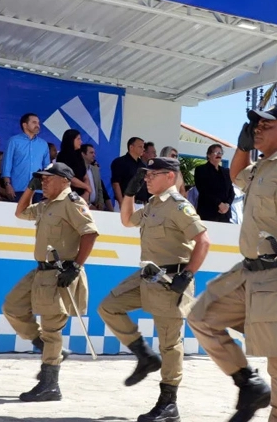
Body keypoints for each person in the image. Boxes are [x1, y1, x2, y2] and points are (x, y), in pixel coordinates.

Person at [187, 103, 277, 422]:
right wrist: (242, 147)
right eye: (255, 124)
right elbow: (237, 176)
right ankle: (249, 384)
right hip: (251, 270)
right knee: (202, 317)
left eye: (266, 124)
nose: (257, 128)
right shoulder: (265, 166)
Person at [100, 157, 210, 422]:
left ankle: (169, 403)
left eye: (152, 175)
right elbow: (127, 220)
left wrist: (188, 275)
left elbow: (203, 241)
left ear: (170, 177)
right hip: (147, 275)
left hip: (171, 280)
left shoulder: (178, 206)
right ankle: (144, 356)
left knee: (170, 343)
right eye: (145, 175)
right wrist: (129, 192)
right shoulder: (152, 203)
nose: (147, 179)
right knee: (109, 307)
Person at [3, 162, 98, 402]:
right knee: (12, 307)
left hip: (60, 272)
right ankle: (44, 347)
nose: (43, 182)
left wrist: (75, 267)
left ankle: (50, 385)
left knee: (52, 328)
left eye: (47, 178)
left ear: (64, 180)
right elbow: (20, 212)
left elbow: (90, 233)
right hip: (41, 271)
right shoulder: (46, 205)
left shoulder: (72, 202)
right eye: (41, 179)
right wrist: (29, 188)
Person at [0, 113, 50, 202]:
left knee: (36, 215)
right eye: (34, 122)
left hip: (37, 190)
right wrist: (7, 185)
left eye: (38, 123)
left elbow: (47, 167)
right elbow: (7, 164)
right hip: (18, 188)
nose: (37, 125)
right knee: (16, 215)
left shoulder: (43, 144)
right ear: (25, 125)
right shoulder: (14, 141)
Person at [194, 144, 235, 223]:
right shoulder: (201, 170)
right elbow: (203, 190)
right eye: (216, 152)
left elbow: (231, 191)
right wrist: (219, 204)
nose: (219, 155)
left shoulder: (226, 172)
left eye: (220, 152)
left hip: (224, 214)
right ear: (209, 155)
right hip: (208, 213)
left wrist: (227, 205)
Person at [111, 137, 149, 210]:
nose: (143, 149)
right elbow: (116, 183)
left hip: (140, 205)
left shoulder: (143, 165)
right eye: (140, 147)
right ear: (131, 147)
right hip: (124, 202)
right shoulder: (119, 162)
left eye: (143, 147)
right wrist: (121, 202)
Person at [55, 129, 90, 197]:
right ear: (71, 140)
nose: (81, 142)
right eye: (78, 139)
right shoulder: (62, 156)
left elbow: (85, 176)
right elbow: (68, 177)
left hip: (83, 194)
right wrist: (87, 187)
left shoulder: (79, 156)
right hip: (68, 194)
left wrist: (86, 193)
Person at [82, 144, 108, 210]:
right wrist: (89, 205)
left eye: (94, 153)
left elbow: (99, 189)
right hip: (82, 206)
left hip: (96, 207)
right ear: (83, 154)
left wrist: (101, 203)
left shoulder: (95, 170)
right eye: (91, 153)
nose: (94, 155)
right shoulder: (78, 170)